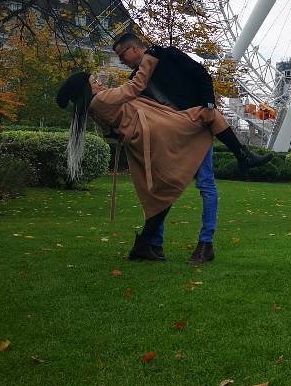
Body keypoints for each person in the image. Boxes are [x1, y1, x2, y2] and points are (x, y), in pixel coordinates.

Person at [110, 32, 268, 264]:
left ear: (134, 48)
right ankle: (156, 245)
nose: (122, 61)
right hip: (170, 136)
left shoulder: (167, 55)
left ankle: (203, 243)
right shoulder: (137, 80)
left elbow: (200, 73)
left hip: (196, 127)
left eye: (122, 55)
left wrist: (208, 104)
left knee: (204, 184)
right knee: (165, 187)